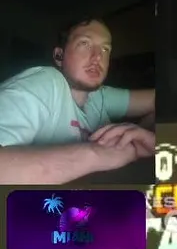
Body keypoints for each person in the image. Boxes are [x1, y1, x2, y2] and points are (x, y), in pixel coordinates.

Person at [0, 18, 156, 184]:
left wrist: (147, 136)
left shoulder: (100, 96)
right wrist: (96, 154)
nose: (97, 57)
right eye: (84, 43)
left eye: (105, 49)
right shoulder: (44, 81)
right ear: (59, 56)